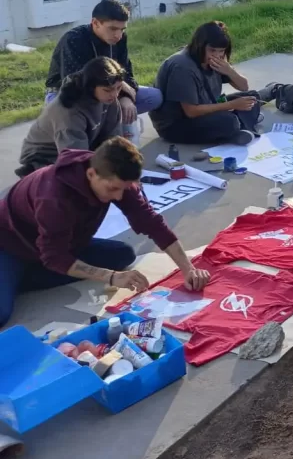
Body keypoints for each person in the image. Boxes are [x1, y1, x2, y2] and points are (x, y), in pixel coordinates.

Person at [0, 138, 210, 328]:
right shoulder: (54, 197)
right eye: (113, 189)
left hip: (57, 244)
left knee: (122, 255)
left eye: (124, 189)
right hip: (9, 245)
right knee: (2, 312)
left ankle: (27, 274)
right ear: (91, 174)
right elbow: (55, 255)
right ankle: (20, 273)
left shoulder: (115, 177)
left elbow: (151, 222)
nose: (118, 196)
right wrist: (109, 277)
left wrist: (188, 269)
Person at [45, 0, 163, 131]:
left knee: (154, 97)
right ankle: (102, 126)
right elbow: (75, 82)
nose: (118, 35)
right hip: (67, 93)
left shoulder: (120, 39)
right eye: (112, 29)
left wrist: (126, 98)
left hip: (110, 91)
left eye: (122, 29)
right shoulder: (74, 39)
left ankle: (112, 122)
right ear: (95, 23)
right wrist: (120, 88)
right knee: (75, 114)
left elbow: (126, 71)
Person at [150, 21, 261, 146]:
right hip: (176, 124)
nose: (217, 55)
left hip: (207, 106)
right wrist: (231, 105)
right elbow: (191, 111)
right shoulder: (182, 66)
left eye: (221, 51)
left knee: (252, 97)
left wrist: (229, 70)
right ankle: (240, 126)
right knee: (228, 121)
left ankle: (240, 128)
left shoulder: (217, 61)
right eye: (212, 50)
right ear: (200, 46)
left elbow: (243, 86)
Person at [18, 57, 126, 178]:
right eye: (108, 90)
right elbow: (74, 158)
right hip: (45, 156)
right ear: (90, 86)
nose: (115, 94)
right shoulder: (68, 110)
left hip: (83, 145)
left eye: (119, 88)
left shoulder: (108, 98)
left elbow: (113, 138)